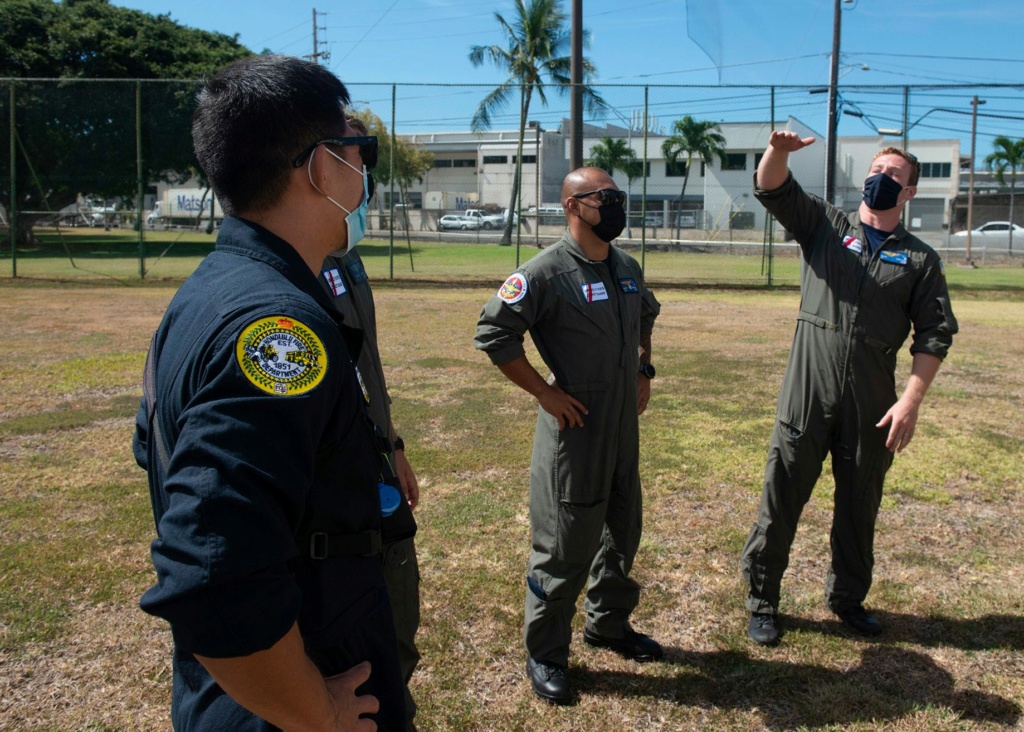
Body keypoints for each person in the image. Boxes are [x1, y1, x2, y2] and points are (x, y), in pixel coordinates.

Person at [132, 54, 405, 730]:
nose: (365, 173)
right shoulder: (277, 331)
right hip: (291, 698)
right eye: (358, 149)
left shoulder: (210, 292)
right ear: (319, 167)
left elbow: (154, 450)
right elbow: (211, 576)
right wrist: (320, 713)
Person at [739, 131, 959, 646]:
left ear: (908, 194)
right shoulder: (826, 226)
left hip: (873, 398)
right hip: (808, 387)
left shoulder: (921, 260)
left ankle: (848, 598)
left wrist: (911, 400)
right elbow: (771, 188)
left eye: (892, 177)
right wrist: (780, 152)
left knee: (861, 502)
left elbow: (934, 333)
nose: (879, 180)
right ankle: (763, 600)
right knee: (783, 491)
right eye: (875, 171)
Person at [474, 167, 662, 705]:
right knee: (564, 545)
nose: (617, 205)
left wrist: (644, 371)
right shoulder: (546, 272)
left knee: (621, 530)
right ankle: (546, 652)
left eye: (619, 196)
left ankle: (608, 624)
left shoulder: (626, 266)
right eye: (606, 198)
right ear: (574, 206)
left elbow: (646, 314)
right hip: (575, 428)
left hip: (622, 425)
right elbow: (494, 332)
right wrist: (544, 393)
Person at [319, 116, 422, 731]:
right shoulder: (287, 278)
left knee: (398, 605)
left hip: (375, 460)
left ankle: (396, 701)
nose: (366, 184)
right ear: (320, 170)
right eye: (359, 165)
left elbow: (367, 374)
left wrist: (395, 447)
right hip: (337, 488)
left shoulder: (346, 261)